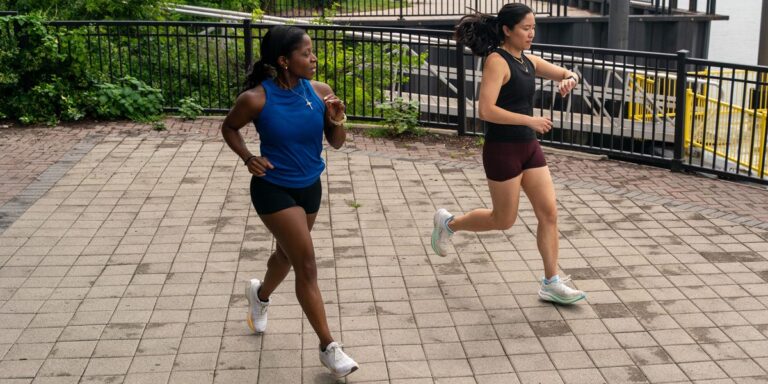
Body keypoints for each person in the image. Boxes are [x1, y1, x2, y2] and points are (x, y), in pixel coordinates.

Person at [221, 25, 358, 378]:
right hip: (273, 188)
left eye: (312, 52)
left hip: (310, 186)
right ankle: (329, 347)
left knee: (287, 254)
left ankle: (260, 294)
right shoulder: (256, 98)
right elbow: (229, 128)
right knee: (306, 263)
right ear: (284, 61)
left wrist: (338, 118)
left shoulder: (320, 92)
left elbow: (338, 142)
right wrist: (248, 157)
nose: (313, 58)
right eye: (305, 53)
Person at [431, 3, 586, 305]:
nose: (531, 34)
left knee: (549, 212)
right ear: (507, 30)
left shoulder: (527, 60)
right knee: (503, 220)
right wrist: (530, 120)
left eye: (533, 28)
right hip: (503, 150)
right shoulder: (497, 61)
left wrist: (570, 79)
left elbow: (567, 72)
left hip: (528, 147)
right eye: (526, 29)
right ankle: (449, 224)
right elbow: (486, 109)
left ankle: (551, 282)